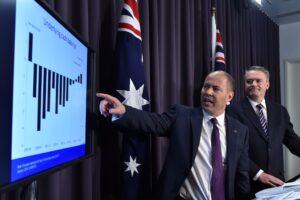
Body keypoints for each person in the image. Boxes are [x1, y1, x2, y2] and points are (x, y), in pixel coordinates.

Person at [97, 71, 250, 200]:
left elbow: (241, 175)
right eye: (206, 86)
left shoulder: (240, 131)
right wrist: (124, 111)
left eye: (215, 89)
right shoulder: (182, 116)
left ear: (229, 96)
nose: (208, 92)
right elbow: (153, 122)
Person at [227, 66, 300, 197]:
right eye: (249, 81)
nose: (253, 84)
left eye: (258, 81)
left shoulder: (280, 111)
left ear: (267, 84)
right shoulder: (232, 111)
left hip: (278, 185)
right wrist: (258, 173)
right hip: (248, 184)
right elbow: (232, 150)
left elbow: (293, 142)